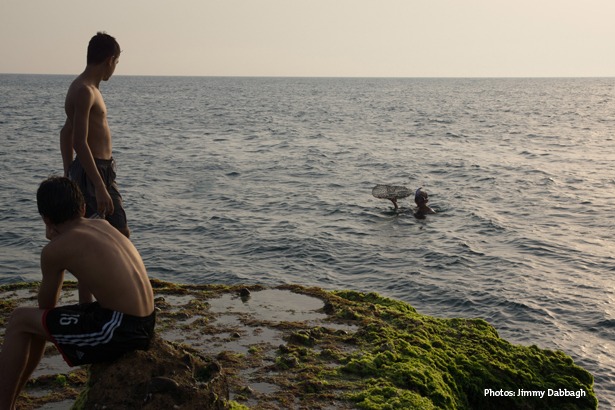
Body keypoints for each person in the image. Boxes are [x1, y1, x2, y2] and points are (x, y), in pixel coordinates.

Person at [0, 177, 155, 410]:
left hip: (119, 329)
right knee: (32, 324)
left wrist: (53, 249)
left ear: (46, 219)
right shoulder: (103, 225)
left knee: (20, 320)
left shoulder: (56, 249)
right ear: (82, 207)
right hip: (145, 321)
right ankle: (10, 401)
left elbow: (46, 306)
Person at [60, 32, 130, 238]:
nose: (115, 68)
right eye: (116, 62)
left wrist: (68, 172)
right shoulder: (85, 91)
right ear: (110, 61)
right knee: (98, 235)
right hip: (93, 172)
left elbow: (66, 131)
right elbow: (78, 142)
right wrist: (98, 185)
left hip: (102, 170)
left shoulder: (86, 88)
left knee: (121, 232)